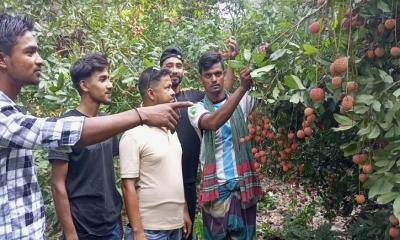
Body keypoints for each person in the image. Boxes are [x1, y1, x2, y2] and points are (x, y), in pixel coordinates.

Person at [0, 13, 191, 240]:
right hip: (83, 229)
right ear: (3, 59)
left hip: (106, 225)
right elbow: (56, 138)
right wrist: (141, 114)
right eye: (30, 52)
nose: (40, 59)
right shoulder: (18, 117)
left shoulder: (14, 110)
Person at [159, 38, 237, 238]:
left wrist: (231, 63)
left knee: (187, 233)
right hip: (161, 184)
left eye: (179, 66)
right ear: (160, 69)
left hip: (188, 183)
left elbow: (222, 90)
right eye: (169, 66)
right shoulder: (153, 104)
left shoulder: (193, 98)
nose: (174, 70)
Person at [188, 52, 262, 239]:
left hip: (243, 185)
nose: (214, 79)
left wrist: (264, 56)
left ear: (223, 74)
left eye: (218, 73)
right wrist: (242, 89)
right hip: (216, 189)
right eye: (208, 75)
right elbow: (213, 122)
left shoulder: (242, 100)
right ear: (201, 78)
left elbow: (266, 83)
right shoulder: (196, 109)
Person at [48, 53, 122, 239]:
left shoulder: (107, 122)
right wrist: (70, 233)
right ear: (84, 85)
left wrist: (118, 220)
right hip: (82, 228)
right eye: (103, 79)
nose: (110, 85)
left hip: (110, 225)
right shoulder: (65, 125)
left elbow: (107, 175)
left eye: (109, 79)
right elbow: (57, 184)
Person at [120, 67, 191, 240]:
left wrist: (184, 211)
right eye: (167, 88)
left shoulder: (170, 130)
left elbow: (173, 175)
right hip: (149, 230)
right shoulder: (133, 134)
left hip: (175, 227)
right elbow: (127, 185)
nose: (173, 92)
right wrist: (138, 232)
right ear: (151, 93)